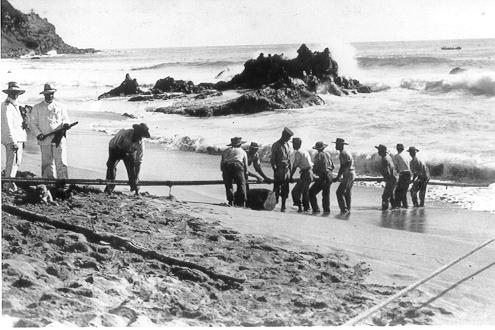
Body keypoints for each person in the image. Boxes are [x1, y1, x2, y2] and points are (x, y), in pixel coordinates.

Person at [30, 83, 70, 180]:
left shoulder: (61, 106)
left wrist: (66, 124)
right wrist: (38, 134)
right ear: (44, 95)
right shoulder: (37, 107)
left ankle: (63, 183)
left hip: (59, 137)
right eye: (47, 94)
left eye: (52, 93)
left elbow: (66, 119)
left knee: (61, 161)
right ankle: (49, 182)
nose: (50, 95)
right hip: (44, 139)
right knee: (47, 163)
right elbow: (32, 123)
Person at [104, 123, 150, 195]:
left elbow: (138, 162)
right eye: (137, 134)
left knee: (132, 168)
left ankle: (135, 188)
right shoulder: (124, 134)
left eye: (140, 136)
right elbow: (117, 144)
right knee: (111, 165)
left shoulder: (140, 144)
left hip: (129, 151)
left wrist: (136, 176)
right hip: (115, 147)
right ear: (135, 131)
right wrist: (124, 153)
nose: (138, 137)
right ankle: (109, 187)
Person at [1, 82, 27, 192]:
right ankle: (8, 185)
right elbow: (8, 126)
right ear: (9, 93)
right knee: (12, 161)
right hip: (13, 139)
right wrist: (13, 141)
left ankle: (9, 183)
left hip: (18, 138)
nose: (15, 94)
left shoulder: (15, 105)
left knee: (16, 161)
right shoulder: (6, 106)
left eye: (16, 92)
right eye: (13, 92)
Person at [221, 137, 248, 206]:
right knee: (241, 184)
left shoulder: (225, 151)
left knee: (228, 184)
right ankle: (242, 202)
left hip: (226, 166)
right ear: (240, 145)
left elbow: (222, 163)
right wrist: (246, 173)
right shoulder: (242, 151)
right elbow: (245, 165)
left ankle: (231, 201)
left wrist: (223, 171)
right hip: (237, 166)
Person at [271, 127, 293, 211]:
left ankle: (283, 206)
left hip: (286, 170)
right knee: (276, 188)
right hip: (279, 169)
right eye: (288, 137)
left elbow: (289, 160)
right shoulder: (276, 145)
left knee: (285, 190)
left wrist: (290, 172)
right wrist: (275, 170)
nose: (289, 139)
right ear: (284, 135)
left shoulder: (287, 145)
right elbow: (273, 160)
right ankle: (274, 204)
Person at [309, 141, 334, 214]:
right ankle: (326, 210)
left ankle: (316, 209)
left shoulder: (318, 155)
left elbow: (317, 168)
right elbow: (332, 166)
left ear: (317, 149)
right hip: (330, 176)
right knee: (326, 194)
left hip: (323, 177)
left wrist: (314, 173)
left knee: (311, 192)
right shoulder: (328, 154)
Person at [290, 137, 313, 212]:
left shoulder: (298, 152)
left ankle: (302, 207)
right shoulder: (305, 151)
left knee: (296, 191)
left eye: (294, 144)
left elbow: (295, 165)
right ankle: (304, 208)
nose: (293, 145)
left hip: (306, 174)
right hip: (308, 173)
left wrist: (290, 176)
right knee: (303, 191)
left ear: (298, 144)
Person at [332, 138, 355, 214]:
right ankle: (348, 208)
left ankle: (344, 210)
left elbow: (343, 167)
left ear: (341, 145)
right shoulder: (346, 152)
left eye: (337, 144)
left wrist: (337, 177)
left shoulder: (342, 154)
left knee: (339, 192)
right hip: (352, 173)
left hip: (348, 174)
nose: (335, 145)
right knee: (347, 192)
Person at [376, 144, 397, 210]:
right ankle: (394, 208)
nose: (378, 152)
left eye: (379, 150)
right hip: (394, 178)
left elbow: (387, 172)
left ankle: (385, 210)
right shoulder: (388, 156)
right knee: (390, 195)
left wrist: (385, 179)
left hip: (391, 179)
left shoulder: (384, 159)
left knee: (385, 197)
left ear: (382, 151)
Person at [393, 143, 411, 208]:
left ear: (397, 148)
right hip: (409, 174)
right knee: (404, 191)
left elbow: (395, 167)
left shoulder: (397, 156)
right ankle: (405, 205)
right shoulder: (407, 155)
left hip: (403, 174)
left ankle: (397, 206)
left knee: (398, 191)